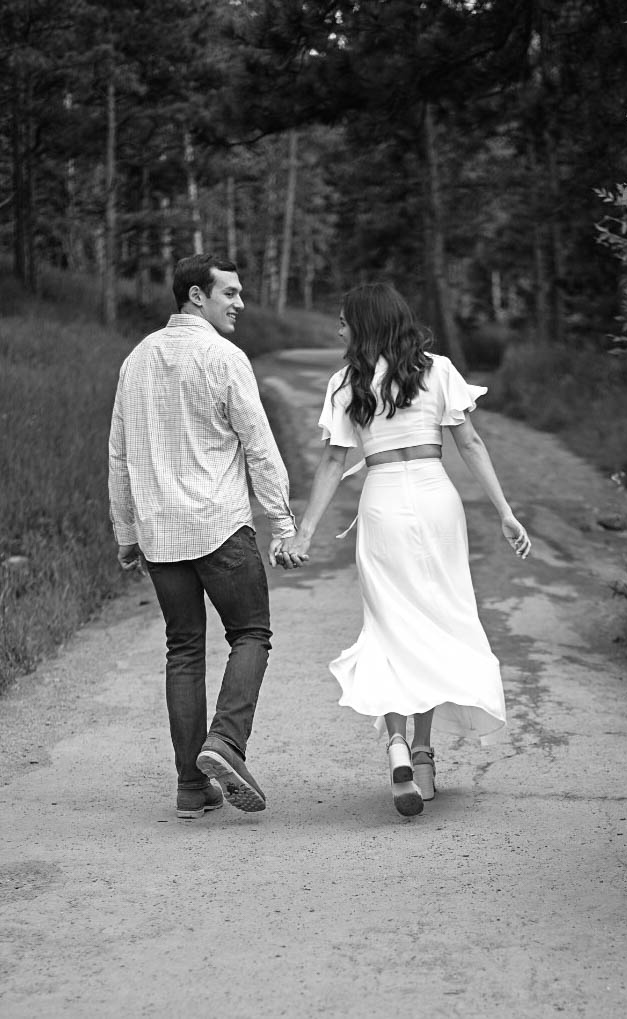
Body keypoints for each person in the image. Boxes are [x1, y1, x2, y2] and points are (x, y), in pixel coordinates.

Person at [275, 282, 530, 817]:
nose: (338, 330)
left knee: (390, 626)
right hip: (437, 501)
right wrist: (505, 513)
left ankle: (397, 745)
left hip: (384, 504)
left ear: (364, 324)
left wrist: (306, 532)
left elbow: (330, 462)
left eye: (344, 321)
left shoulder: (348, 383)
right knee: (436, 623)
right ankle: (424, 752)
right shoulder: (436, 370)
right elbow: (471, 444)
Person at [108, 253, 296, 819]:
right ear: (196, 295)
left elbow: (119, 455)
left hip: (161, 535)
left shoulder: (135, 360)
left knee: (184, 650)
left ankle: (192, 787)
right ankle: (227, 744)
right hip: (218, 527)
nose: (240, 303)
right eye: (230, 293)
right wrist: (282, 522)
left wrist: (126, 532)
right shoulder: (223, 356)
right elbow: (258, 443)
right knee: (251, 634)